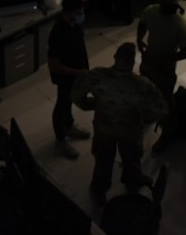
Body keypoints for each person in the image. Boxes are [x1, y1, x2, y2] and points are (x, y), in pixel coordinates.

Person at [72, 43, 168, 206]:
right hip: (130, 131)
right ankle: (132, 183)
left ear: (115, 57)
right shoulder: (141, 85)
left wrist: (92, 104)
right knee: (131, 159)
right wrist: (145, 118)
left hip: (104, 129)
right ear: (132, 63)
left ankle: (99, 190)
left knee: (103, 161)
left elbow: (76, 95)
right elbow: (162, 108)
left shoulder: (97, 76)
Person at [136, 0, 186, 151]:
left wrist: (168, 59)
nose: (173, 9)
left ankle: (166, 135)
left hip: (165, 70)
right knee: (146, 91)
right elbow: (142, 24)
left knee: (167, 103)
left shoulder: (181, 25)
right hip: (149, 63)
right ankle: (148, 116)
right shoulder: (151, 12)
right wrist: (139, 41)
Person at [47, 0, 91, 160]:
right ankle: (60, 139)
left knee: (70, 100)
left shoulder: (75, 24)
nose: (82, 15)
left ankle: (69, 125)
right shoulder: (58, 34)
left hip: (78, 73)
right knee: (62, 104)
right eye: (79, 12)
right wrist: (76, 72)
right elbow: (54, 65)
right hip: (66, 76)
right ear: (69, 12)